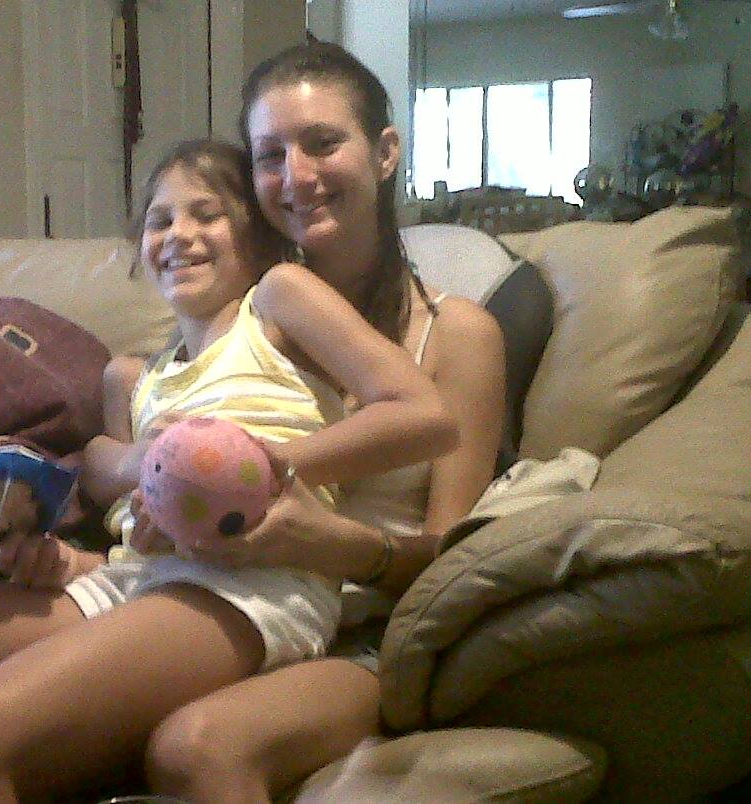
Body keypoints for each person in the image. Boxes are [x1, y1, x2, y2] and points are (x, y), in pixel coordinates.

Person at [0, 136, 457, 802]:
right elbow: (104, 477)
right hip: (130, 583)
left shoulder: (276, 301)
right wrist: (72, 550)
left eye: (207, 214)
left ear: (259, 236)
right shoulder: (134, 377)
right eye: (159, 220)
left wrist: (267, 462)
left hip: (250, 587)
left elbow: (425, 416)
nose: (179, 234)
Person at [137, 42, 506, 803]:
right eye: (270, 155)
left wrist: (340, 545)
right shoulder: (231, 320)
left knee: (196, 749)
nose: (296, 176)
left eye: (323, 143)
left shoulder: (456, 335)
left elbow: (453, 558)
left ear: (385, 153)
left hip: (364, 630)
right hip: (219, 595)